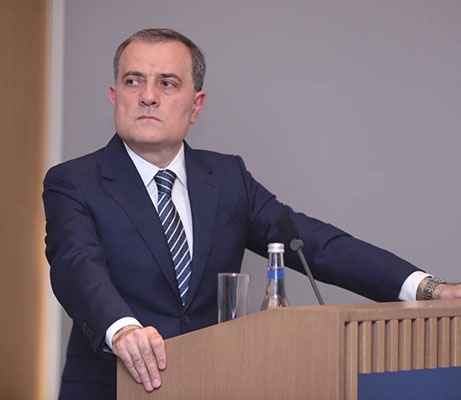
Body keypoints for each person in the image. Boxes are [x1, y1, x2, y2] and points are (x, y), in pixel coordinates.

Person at [42, 28, 461, 399]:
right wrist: (122, 329)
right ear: (115, 95)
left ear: (196, 105)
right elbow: (77, 265)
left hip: (216, 384)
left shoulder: (228, 178)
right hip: (112, 386)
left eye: (167, 83)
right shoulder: (73, 181)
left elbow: (315, 244)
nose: (147, 96)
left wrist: (426, 288)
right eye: (133, 81)